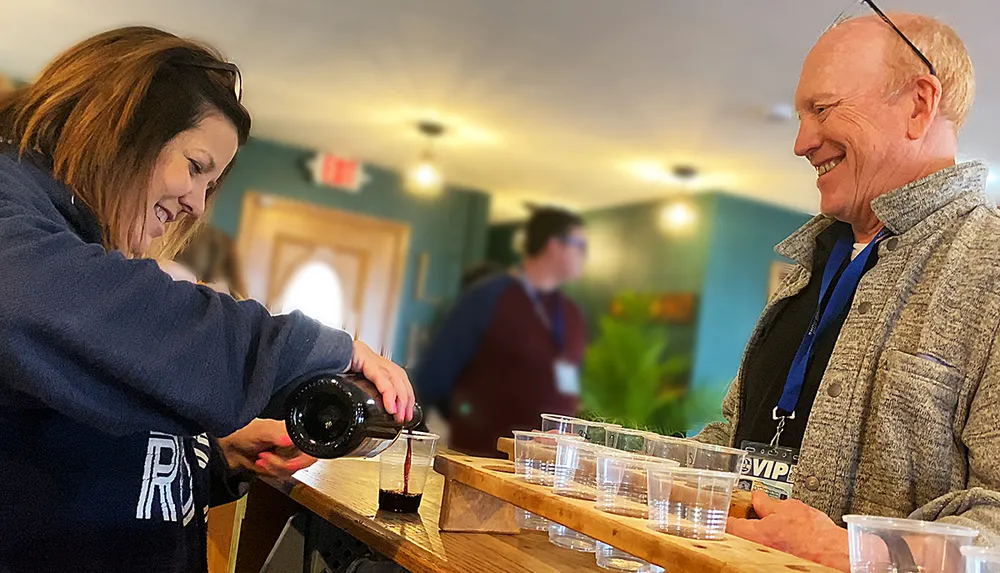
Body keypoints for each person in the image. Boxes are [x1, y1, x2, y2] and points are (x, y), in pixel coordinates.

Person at [0, 27, 413, 573]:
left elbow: (79, 444)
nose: (196, 204)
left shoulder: (77, 242)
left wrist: (215, 456)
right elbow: (32, 305)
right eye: (195, 167)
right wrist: (311, 349)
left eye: (209, 184)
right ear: (119, 128)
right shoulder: (16, 211)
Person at [694, 7, 1000, 571]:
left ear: (919, 104)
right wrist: (622, 462)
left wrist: (848, 553)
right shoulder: (812, 263)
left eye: (823, 109)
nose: (801, 142)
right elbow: (740, 440)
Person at [415, 206, 588, 456]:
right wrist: (469, 420)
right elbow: (436, 374)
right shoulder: (488, 298)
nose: (584, 255)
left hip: (550, 464)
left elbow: (569, 380)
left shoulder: (572, 314)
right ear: (554, 246)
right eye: (580, 246)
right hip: (483, 459)